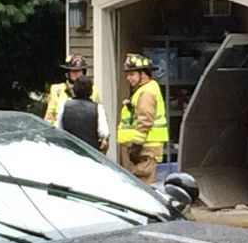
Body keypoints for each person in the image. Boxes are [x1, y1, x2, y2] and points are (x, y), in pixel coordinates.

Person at [117, 53, 169, 185]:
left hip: (144, 148)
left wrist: (136, 146)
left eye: (132, 74)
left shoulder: (146, 92)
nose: (128, 78)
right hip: (143, 147)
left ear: (143, 74)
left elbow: (145, 121)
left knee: (142, 185)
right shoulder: (144, 90)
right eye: (127, 75)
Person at [44, 53, 101, 127]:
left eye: (79, 71)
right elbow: (49, 117)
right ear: (67, 73)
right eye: (73, 71)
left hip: (85, 133)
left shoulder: (93, 90)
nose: (76, 74)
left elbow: (98, 115)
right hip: (63, 134)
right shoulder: (57, 90)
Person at [57, 76, 109, 153]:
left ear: (74, 89)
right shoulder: (97, 108)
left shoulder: (64, 106)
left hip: (69, 150)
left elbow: (59, 128)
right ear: (91, 91)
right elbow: (104, 132)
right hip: (90, 151)